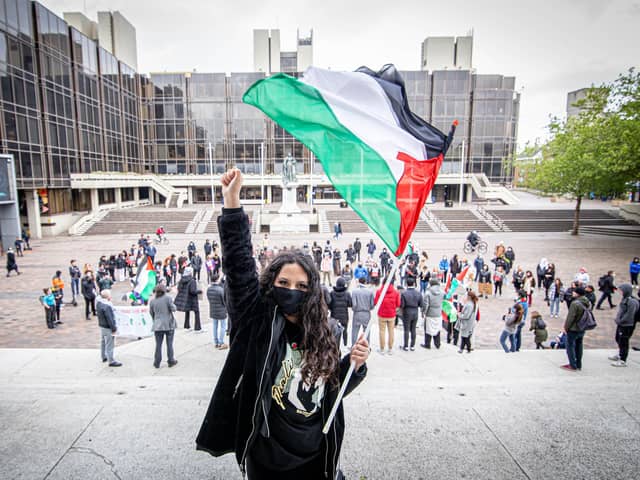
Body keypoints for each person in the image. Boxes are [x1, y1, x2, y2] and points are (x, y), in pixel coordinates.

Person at [195, 168, 369, 479]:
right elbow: (239, 267)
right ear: (271, 283)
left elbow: (331, 389)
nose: (292, 290)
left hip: (317, 449)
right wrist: (232, 201)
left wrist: (354, 366)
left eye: (301, 286)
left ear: (312, 291)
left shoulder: (326, 331)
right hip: (269, 454)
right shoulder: (258, 323)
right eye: (284, 282)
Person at [608, 284, 639, 367]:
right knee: (618, 338)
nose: (620, 292)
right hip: (621, 324)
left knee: (624, 342)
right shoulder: (625, 299)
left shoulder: (631, 301)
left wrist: (621, 320)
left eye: (621, 290)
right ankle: (620, 354)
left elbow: (630, 314)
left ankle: (623, 360)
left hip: (627, 325)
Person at [149, 284, 178, 368]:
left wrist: (156, 320)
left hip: (157, 325)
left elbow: (151, 313)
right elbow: (174, 309)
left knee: (158, 344)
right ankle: (171, 360)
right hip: (168, 324)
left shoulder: (153, 301)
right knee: (169, 344)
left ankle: (157, 362)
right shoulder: (168, 298)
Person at [561, 287, 590, 371]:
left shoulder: (575, 303)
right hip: (582, 326)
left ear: (577, 293)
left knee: (570, 346)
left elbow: (570, 317)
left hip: (574, 328)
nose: (572, 293)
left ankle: (572, 364)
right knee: (579, 345)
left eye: (574, 292)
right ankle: (578, 364)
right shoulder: (587, 301)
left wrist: (566, 328)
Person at [375, 277, 400, 355]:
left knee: (382, 331)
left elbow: (376, 302)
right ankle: (390, 349)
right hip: (391, 314)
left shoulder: (379, 291)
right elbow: (398, 304)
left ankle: (382, 349)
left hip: (382, 314)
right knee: (391, 331)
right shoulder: (396, 292)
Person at [96, 290, 122, 367]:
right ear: (107, 297)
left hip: (102, 325)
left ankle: (103, 356)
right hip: (108, 327)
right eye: (110, 295)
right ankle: (111, 360)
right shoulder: (107, 306)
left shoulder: (99, 303)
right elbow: (110, 318)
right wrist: (114, 328)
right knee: (110, 344)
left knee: (103, 341)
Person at [175, 266, 203, 332]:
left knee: (187, 312)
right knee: (197, 312)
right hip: (192, 299)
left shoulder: (182, 280)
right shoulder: (192, 280)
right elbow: (192, 291)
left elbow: (179, 289)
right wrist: (200, 291)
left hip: (186, 299)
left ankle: (186, 326)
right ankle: (197, 328)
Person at [400, 277, 422, 351]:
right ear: (414, 284)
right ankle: (412, 345)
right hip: (415, 311)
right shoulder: (418, 293)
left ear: (406, 284)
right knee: (413, 329)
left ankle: (406, 346)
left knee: (406, 329)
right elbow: (421, 304)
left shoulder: (404, 293)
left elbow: (402, 305)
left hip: (407, 311)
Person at [351, 277, 374, 347]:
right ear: (365, 282)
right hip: (366, 313)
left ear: (359, 282)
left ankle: (353, 345)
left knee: (355, 331)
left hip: (357, 313)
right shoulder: (370, 292)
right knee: (367, 331)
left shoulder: (355, 291)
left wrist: (354, 309)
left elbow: (354, 304)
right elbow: (372, 305)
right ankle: (366, 346)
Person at [329, 277, 352, 348]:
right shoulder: (347, 293)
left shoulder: (332, 293)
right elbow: (350, 304)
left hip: (334, 317)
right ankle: (345, 344)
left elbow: (329, 304)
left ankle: (335, 346)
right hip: (344, 317)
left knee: (334, 333)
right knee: (345, 331)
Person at [207, 273, 228, 349]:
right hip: (221, 310)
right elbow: (224, 301)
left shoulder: (209, 289)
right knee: (223, 326)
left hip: (213, 309)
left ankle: (216, 342)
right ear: (217, 280)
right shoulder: (220, 290)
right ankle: (221, 342)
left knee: (215, 326)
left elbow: (209, 299)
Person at [421, 278, 444, 349]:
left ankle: (427, 344)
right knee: (437, 329)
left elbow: (426, 305)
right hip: (438, 313)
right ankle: (437, 344)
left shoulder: (428, 293)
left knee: (428, 329)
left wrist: (423, 312)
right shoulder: (442, 292)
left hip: (430, 313)